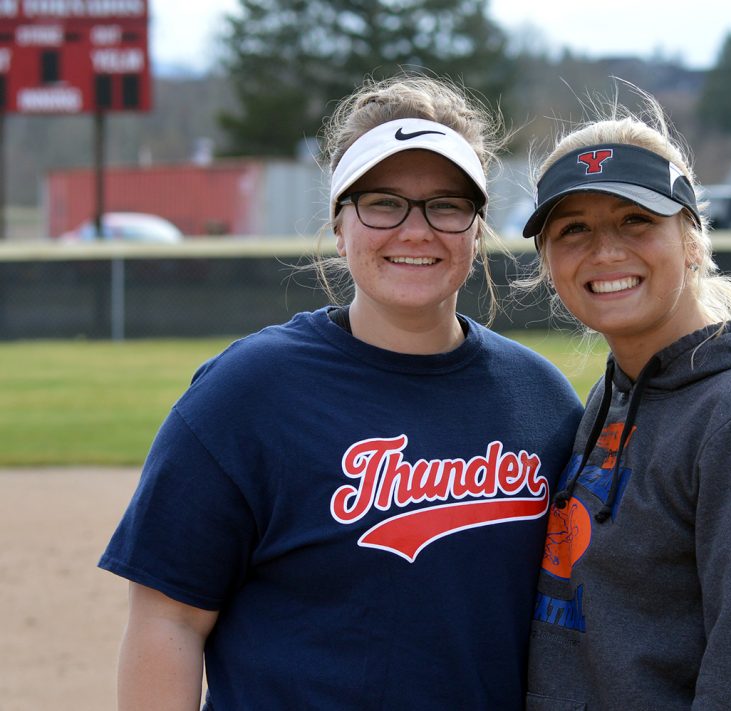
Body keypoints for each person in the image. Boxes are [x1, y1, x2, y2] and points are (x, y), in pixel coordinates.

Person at [99, 75, 583, 710]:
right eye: (382, 202)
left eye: (447, 204)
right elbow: (169, 622)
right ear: (339, 221)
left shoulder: (540, 401)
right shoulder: (247, 395)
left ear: (476, 228)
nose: (417, 230)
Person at [518, 94, 731, 710]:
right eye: (574, 229)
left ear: (692, 239)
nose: (605, 251)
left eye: (636, 220)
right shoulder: (615, 394)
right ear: (547, 262)